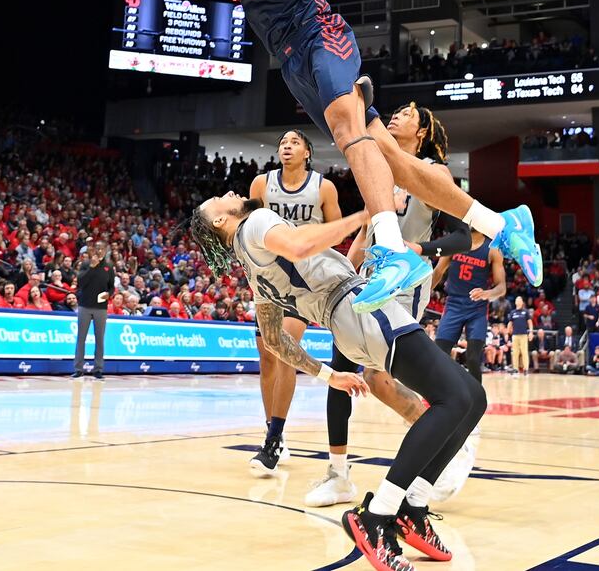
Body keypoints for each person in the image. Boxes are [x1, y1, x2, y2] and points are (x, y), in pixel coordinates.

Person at [136, 0, 542, 307]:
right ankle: (500, 223)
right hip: (290, 61)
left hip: (321, 37)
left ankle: (392, 251)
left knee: (350, 135)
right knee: (393, 161)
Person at [187, 193, 485, 571]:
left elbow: (276, 341)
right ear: (219, 221)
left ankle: (414, 506)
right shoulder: (256, 222)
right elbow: (301, 245)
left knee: (473, 398)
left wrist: (331, 375)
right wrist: (371, 212)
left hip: (352, 319)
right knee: (455, 399)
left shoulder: (253, 272)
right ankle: (378, 515)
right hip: (361, 314)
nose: (227, 194)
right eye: (218, 199)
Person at [308, 104, 481, 508]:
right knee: (345, 369)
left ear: (422, 132)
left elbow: (465, 235)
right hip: (366, 278)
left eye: (406, 114)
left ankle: (450, 439)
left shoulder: (434, 172)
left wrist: (423, 248)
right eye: (397, 112)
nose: (396, 116)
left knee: (382, 375)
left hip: (405, 281)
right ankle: (338, 473)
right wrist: (342, 275)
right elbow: (368, 228)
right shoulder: (377, 164)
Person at [246, 130, 342, 474]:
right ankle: (273, 432)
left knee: (285, 351)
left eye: (294, 142)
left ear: (307, 152)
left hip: (303, 282)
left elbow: (337, 231)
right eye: (283, 143)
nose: (286, 147)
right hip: (267, 279)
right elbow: (250, 230)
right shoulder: (261, 184)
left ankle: (272, 441)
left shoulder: (323, 188)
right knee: (267, 360)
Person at [432, 240, 506, 384]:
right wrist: (425, 294)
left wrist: (487, 293)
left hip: (477, 308)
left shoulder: (492, 249)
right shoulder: (454, 242)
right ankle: (436, 396)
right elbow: (438, 272)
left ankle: (477, 399)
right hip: (453, 305)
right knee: (440, 353)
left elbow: (501, 287)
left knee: (473, 358)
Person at [72, 242, 115, 380]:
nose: (100, 251)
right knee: (81, 338)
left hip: (101, 308)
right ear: (94, 250)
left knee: (100, 339)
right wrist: (91, 267)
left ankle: (98, 369)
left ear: (106, 250)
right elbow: (81, 282)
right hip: (85, 305)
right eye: (98, 249)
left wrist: (109, 294)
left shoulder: (109, 267)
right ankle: (79, 369)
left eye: (103, 248)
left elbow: (111, 287)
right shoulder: (86, 264)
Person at [508, 295, 533, 374]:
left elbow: (530, 322)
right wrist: (508, 330)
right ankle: (515, 368)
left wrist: (531, 332)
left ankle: (526, 369)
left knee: (524, 352)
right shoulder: (513, 312)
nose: (518, 301)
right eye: (517, 300)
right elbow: (510, 323)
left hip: (523, 335)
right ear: (515, 302)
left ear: (522, 302)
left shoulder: (525, 312)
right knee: (515, 352)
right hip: (515, 335)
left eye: (519, 300)